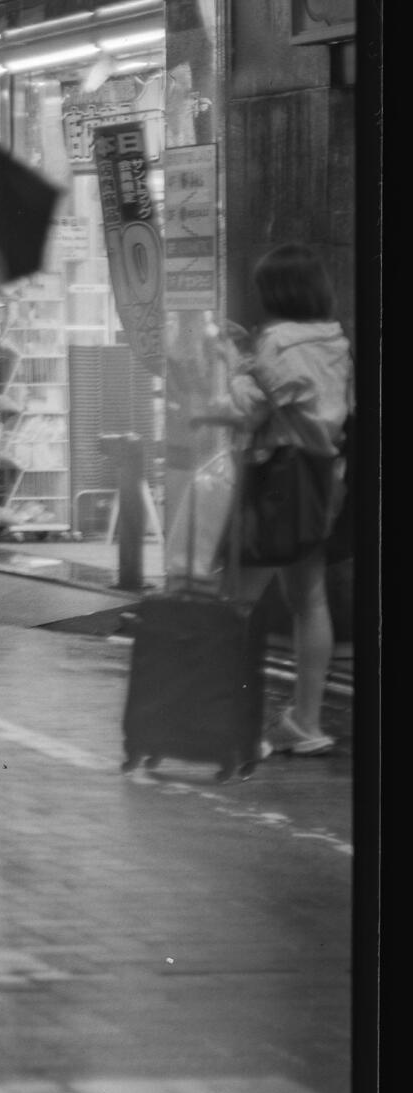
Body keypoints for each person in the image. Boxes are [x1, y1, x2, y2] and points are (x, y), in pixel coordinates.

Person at [225, 243, 350, 757]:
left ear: (276, 292)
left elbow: (248, 410)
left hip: (274, 481)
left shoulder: (275, 343)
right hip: (323, 481)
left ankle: (240, 729)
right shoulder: (336, 342)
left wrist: (236, 365)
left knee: (236, 604)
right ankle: (305, 722)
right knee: (309, 599)